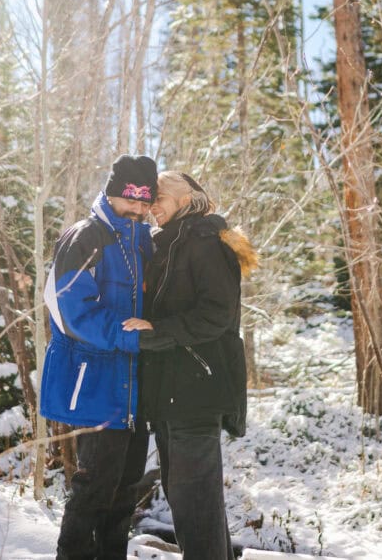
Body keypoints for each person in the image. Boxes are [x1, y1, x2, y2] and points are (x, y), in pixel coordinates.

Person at [122, 170, 258, 560]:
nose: (150, 208)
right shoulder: (171, 243)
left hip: (197, 388)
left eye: (158, 197)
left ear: (186, 198)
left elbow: (217, 314)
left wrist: (156, 330)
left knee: (195, 501)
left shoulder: (205, 241)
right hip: (170, 392)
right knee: (187, 500)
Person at [39, 154, 159, 560]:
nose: (139, 208)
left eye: (146, 201)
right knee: (93, 492)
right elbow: (68, 307)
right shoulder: (87, 236)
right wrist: (128, 337)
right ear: (112, 193)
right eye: (132, 198)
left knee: (125, 493)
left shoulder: (142, 242)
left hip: (133, 387)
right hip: (95, 382)